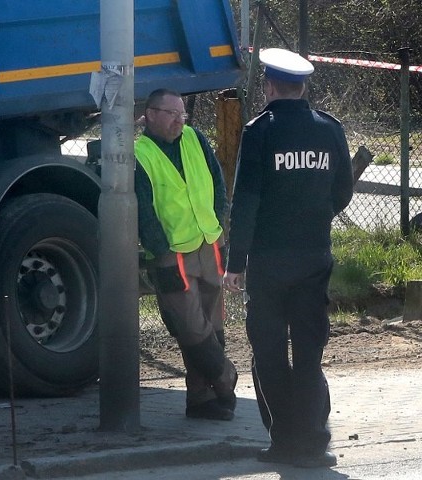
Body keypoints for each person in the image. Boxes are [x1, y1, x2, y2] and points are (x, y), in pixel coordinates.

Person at [224, 48, 354, 467]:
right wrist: (314, 220)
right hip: (315, 258)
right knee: (310, 353)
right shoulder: (329, 129)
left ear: (270, 86)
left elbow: (246, 201)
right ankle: (314, 443)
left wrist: (236, 261)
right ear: (303, 87)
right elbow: (343, 192)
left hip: (268, 263)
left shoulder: (260, 131)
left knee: (269, 352)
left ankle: (284, 441)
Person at [135, 88, 238, 421]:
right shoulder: (140, 153)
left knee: (213, 323)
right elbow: (143, 208)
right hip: (171, 253)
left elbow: (217, 180)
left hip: (209, 243)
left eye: (183, 114)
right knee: (191, 327)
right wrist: (160, 247)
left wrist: (219, 219)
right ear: (150, 114)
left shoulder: (194, 138)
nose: (180, 120)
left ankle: (201, 399)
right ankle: (226, 378)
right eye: (172, 114)